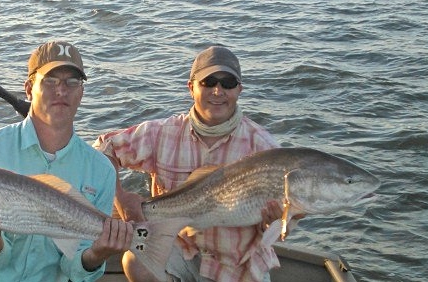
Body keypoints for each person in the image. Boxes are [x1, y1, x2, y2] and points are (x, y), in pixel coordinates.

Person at [93, 46, 297, 282]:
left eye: (228, 83)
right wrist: (120, 197)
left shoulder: (264, 147)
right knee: (136, 259)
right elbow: (102, 148)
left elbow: (279, 232)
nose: (218, 91)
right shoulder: (162, 133)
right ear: (191, 88)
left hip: (239, 264)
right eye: (208, 82)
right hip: (179, 247)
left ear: (239, 90)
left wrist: (276, 222)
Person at [0, 40, 134, 282]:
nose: (61, 90)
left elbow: (75, 268)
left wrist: (97, 254)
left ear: (82, 92)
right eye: (50, 80)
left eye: (72, 82)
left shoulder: (100, 170)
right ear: (29, 88)